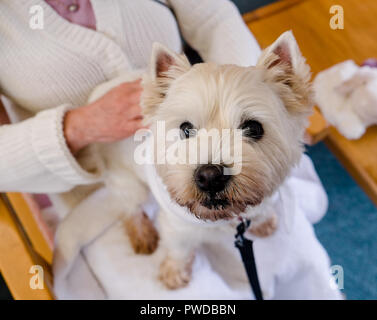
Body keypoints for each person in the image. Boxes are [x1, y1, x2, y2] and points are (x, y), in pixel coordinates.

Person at [0, 0, 261, 194]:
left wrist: (242, 106)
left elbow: (213, 17)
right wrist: (75, 128)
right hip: (103, 197)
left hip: (219, 149)